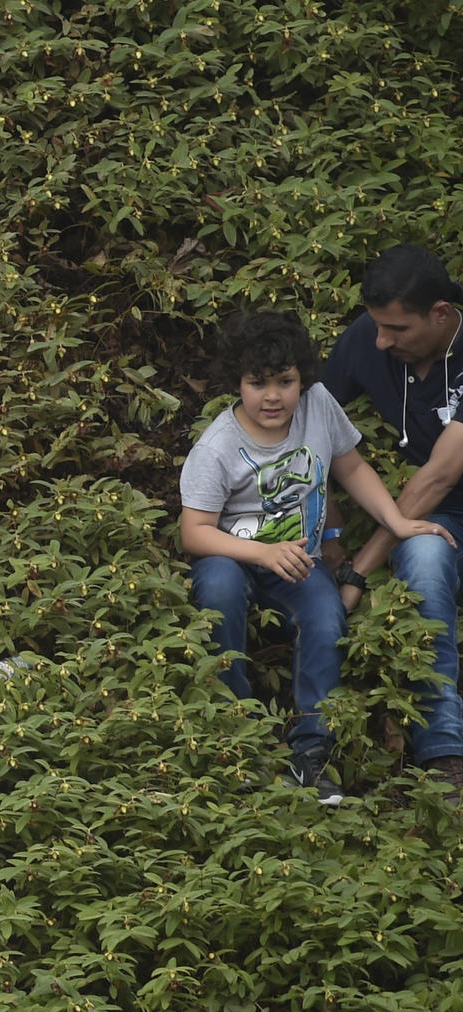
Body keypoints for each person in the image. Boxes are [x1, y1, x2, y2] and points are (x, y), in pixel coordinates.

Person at [182, 308, 433, 803]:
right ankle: (243, 736)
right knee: (217, 587)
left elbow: (351, 467)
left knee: (327, 616)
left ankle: (312, 751)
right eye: (257, 383)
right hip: (231, 554)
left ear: (305, 378)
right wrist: (260, 551)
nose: (272, 396)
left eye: (285, 381)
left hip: (299, 559)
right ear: (238, 383)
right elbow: (194, 533)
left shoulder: (317, 405)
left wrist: (396, 521)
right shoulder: (217, 447)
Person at [324, 245, 463, 777]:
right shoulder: (368, 336)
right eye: (377, 326)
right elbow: (308, 432)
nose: (382, 341)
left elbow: (441, 476)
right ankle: (445, 753)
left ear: (442, 314)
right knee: (424, 559)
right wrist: (331, 532)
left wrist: (358, 569)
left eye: (397, 329)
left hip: (432, 499)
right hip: (439, 523)